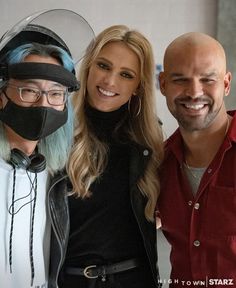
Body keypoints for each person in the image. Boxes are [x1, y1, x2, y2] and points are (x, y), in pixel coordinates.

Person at [51, 24, 164, 288]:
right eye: (103, 65)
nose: (110, 82)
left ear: (138, 86)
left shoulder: (149, 143)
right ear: (89, 66)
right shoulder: (56, 133)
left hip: (135, 280)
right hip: (71, 281)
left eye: (126, 74)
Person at [0, 9, 94, 288]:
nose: (43, 104)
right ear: (2, 96)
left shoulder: (59, 177)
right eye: (29, 90)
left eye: (55, 94)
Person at [157, 32, 235, 287]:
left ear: (225, 84)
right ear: (163, 84)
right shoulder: (159, 165)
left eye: (207, 79)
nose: (194, 92)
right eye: (180, 79)